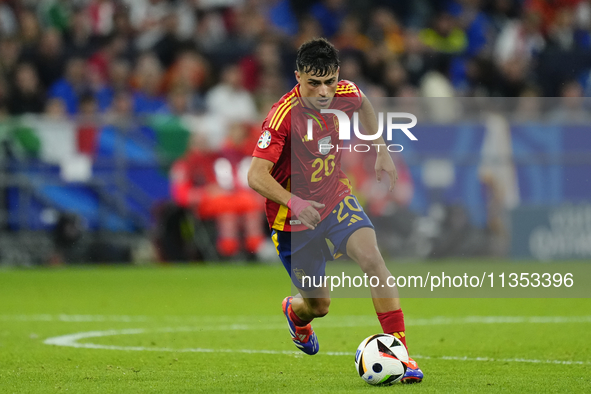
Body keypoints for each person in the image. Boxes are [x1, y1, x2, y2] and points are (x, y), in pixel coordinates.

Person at [247, 38, 423, 383]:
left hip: (336, 198)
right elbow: (255, 175)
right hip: (293, 218)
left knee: (373, 258)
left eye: (329, 81)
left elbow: (365, 104)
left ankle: (401, 355)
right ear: (298, 77)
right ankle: (295, 311)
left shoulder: (346, 91)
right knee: (319, 305)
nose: (324, 91)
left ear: (337, 75)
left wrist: (381, 150)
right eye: (314, 83)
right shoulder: (282, 116)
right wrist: (293, 201)